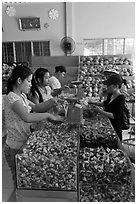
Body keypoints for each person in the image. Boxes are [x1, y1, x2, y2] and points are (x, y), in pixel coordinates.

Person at [3, 65, 63, 201]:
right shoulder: (11, 98)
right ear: (19, 81)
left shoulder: (22, 96)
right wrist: (49, 116)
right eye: (28, 81)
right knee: (18, 184)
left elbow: (36, 107)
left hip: (24, 142)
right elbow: (27, 117)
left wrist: (52, 101)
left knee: (24, 181)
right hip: (14, 147)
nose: (31, 84)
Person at [88, 74, 126, 142]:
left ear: (116, 86)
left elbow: (115, 116)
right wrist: (91, 102)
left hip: (115, 129)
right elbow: (105, 104)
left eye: (108, 85)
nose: (106, 87)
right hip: (108, 125)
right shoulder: (111, 94)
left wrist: (100, 111)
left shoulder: (121, 98)